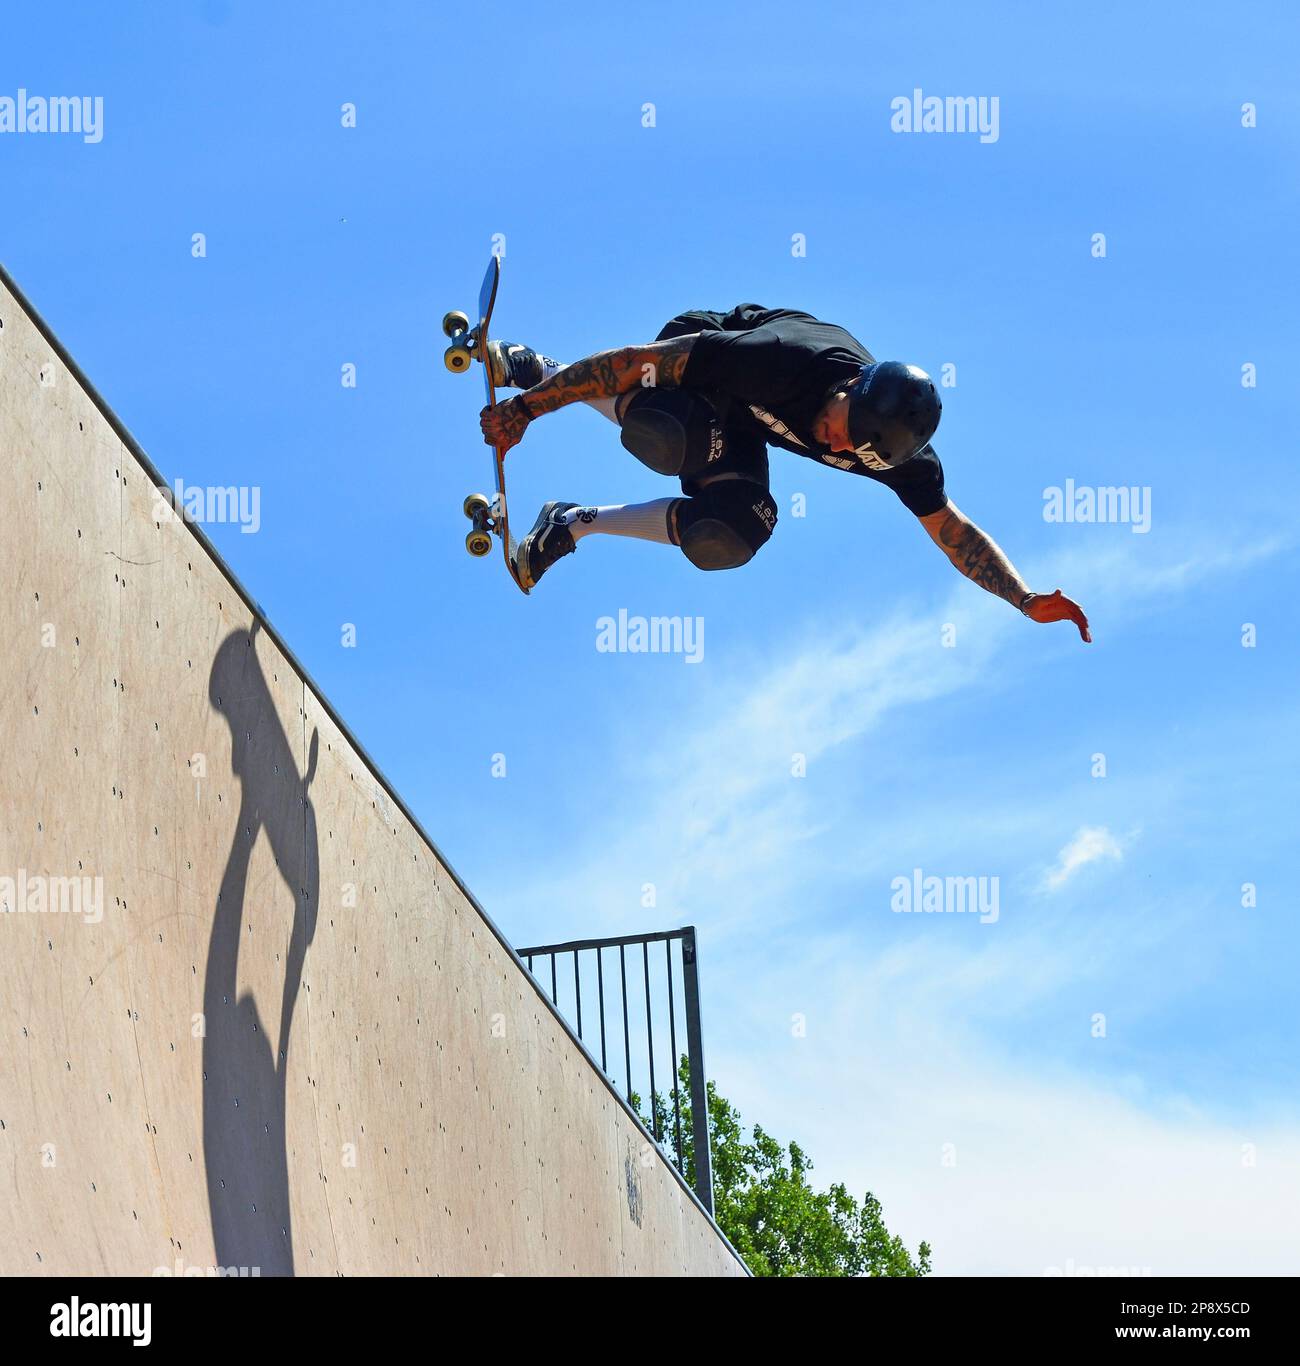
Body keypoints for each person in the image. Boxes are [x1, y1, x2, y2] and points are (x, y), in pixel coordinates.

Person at [479, 302, 1090, 641]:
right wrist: (529, 408)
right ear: (851, 387)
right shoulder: (780, 363)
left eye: (852, 451)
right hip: (689, 370)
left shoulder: (898, 457)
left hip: (740, 426)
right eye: (837, 426)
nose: (834, 442)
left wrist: (1024, 598)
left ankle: (572, 523)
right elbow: (638, 363)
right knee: (676, 438)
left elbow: (954, 533)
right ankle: (536, 367)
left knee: (734, 532)